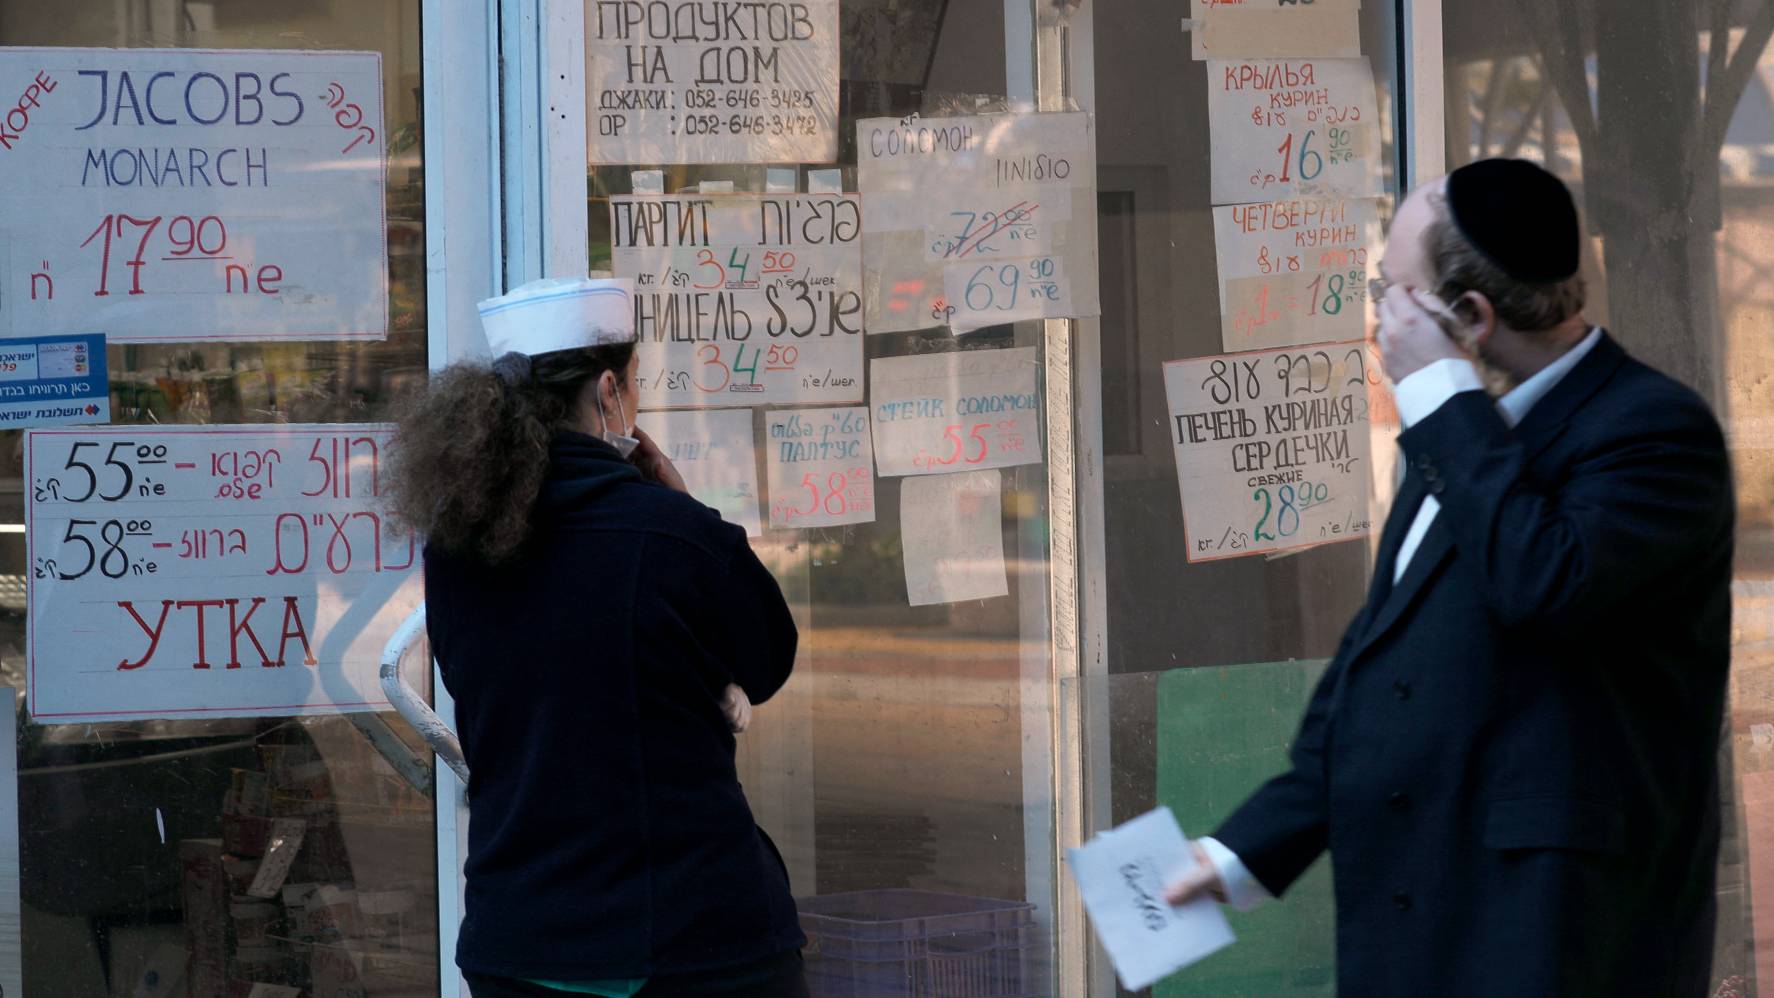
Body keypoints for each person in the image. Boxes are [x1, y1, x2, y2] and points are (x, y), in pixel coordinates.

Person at [1166, 159, 1736, 996]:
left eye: (1393, 293)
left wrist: (1438, 389)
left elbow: (1544, 583)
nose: (1378, 320)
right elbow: (1380, 664)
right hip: (1418, 921)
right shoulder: (1457, 429)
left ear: (1467, 316)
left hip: (1552, 935)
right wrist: (1243, 850)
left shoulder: (1650, 429)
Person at [386, 277, 807, 998]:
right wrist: (679, 500)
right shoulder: (675, 535)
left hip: (520, 940)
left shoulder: (455, 547)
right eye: (634, 384)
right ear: (609, 390)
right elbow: (766, 659)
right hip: (691, 941)